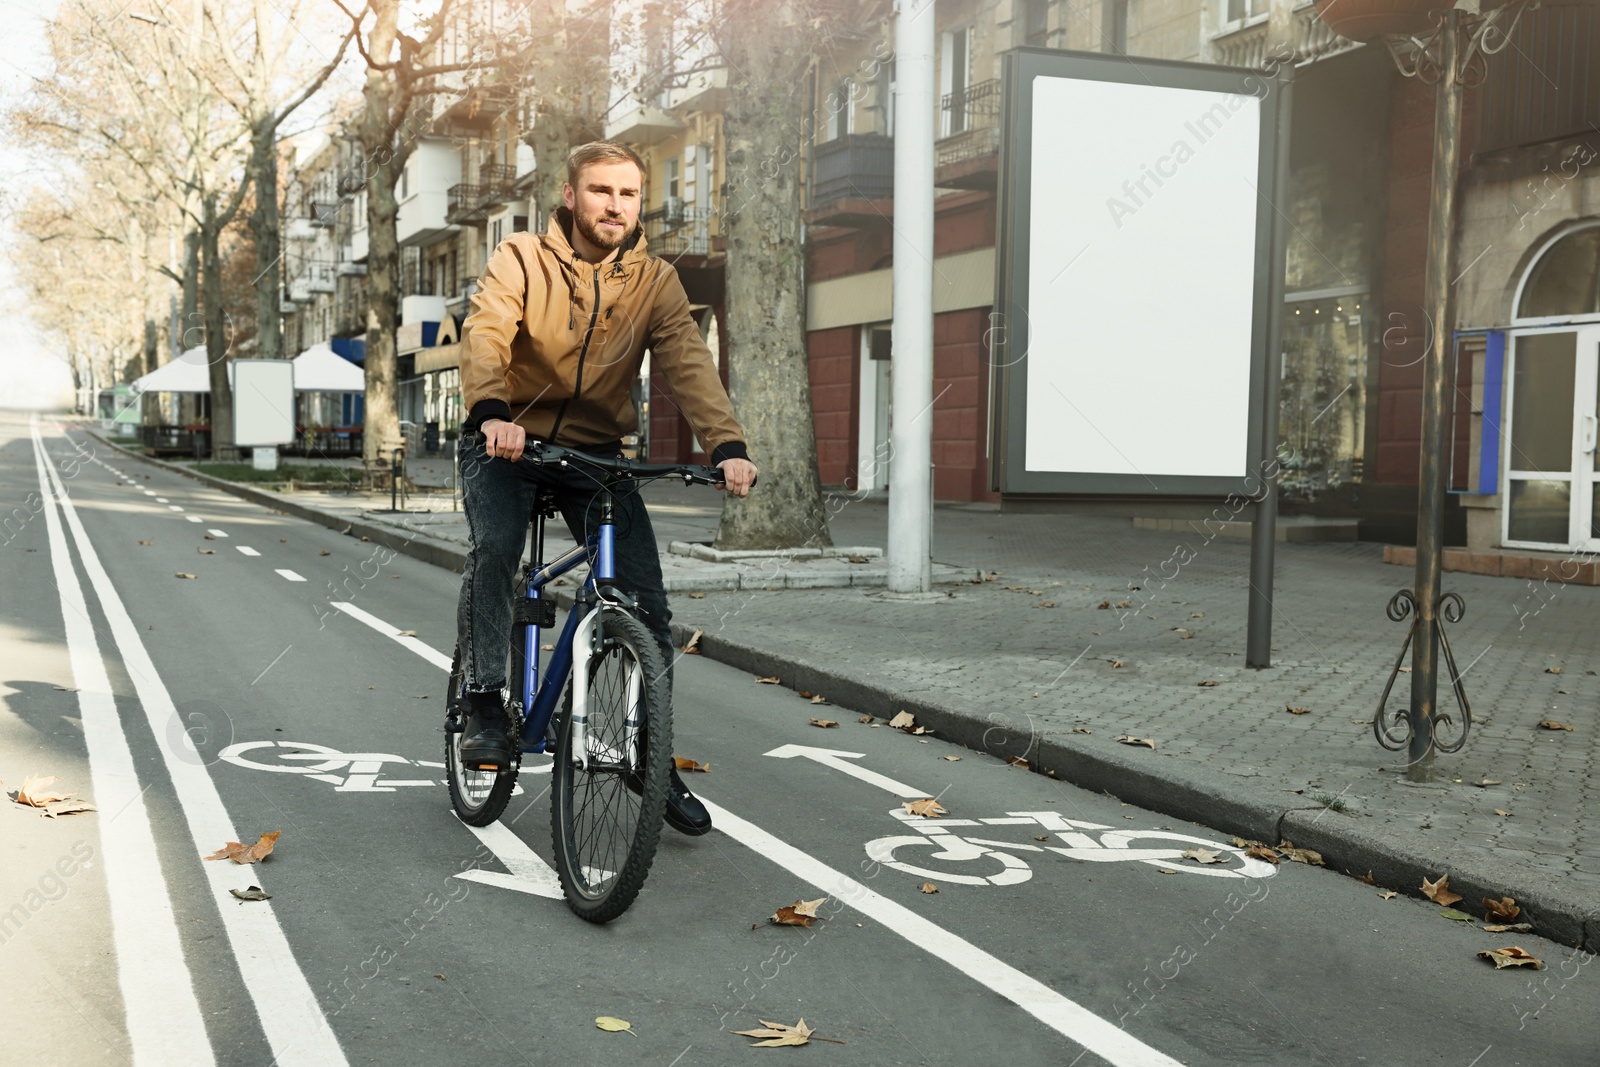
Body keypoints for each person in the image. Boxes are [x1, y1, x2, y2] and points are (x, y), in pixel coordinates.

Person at [454, 140, 757, 836]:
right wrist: (493, 410)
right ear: (569, 194)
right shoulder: (522, 258)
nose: (615, 205)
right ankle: (482, 701)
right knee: (497, 550)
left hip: (592, 453)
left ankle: (649, 760)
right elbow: (487, 332)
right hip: (506, 441)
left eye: (627, 194)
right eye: (600, 191)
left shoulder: (655, 282)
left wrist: (728, 445)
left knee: (646, 599)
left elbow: (688, 362)